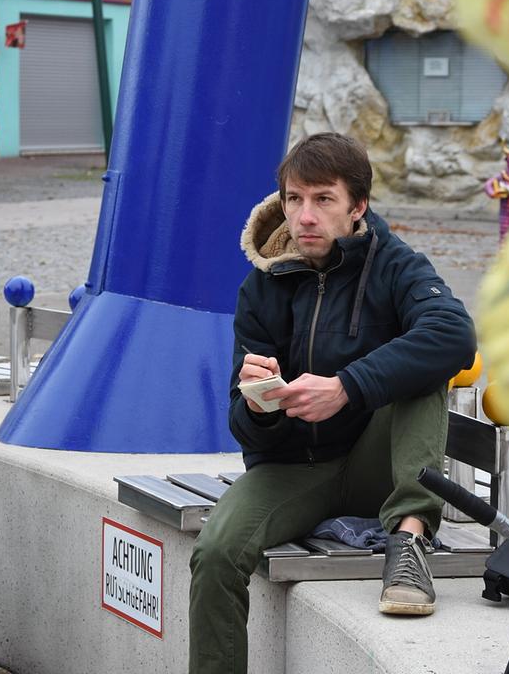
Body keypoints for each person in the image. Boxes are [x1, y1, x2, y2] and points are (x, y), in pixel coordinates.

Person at [188, 132, 477, 673]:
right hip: (293, 470)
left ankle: (410, 545)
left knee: (424, 362)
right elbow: (241, 427)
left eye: (323, 200)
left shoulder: (394, 265)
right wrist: (258, 406)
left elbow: (456, 335)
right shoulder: (262, 287)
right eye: (295, 200)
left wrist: (347, 385)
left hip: (377, 466)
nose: (305, 217)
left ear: (357, 205)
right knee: (215, 553)